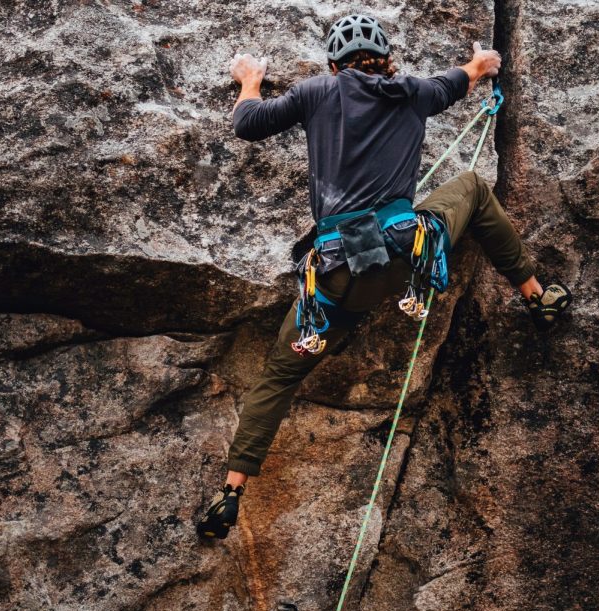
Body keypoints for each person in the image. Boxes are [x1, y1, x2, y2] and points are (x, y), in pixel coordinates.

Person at [197, 14, 572, 539]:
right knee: (470, 187)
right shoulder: (414, 92)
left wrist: (250, 81)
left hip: (333, 280)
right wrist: (483, 62)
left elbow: (247, 124)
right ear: (386, 57)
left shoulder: (315, 92)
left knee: (280, 375)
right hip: (402, 257)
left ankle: (230, 493)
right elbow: (467, 74)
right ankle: (537, 295)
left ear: (334, 64)